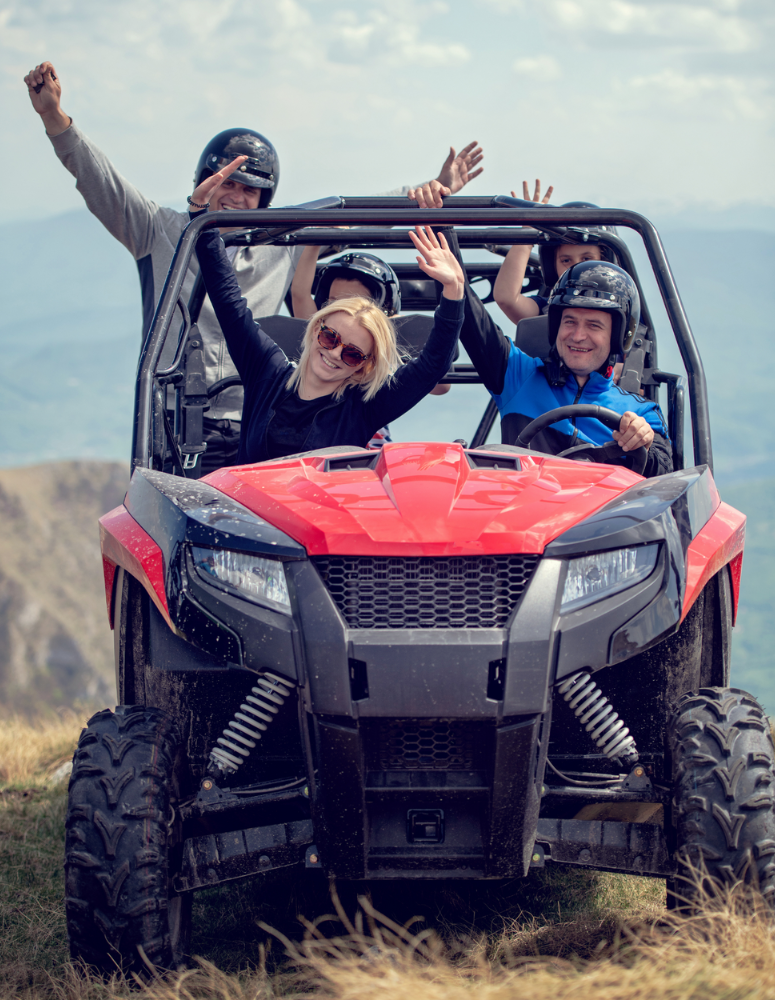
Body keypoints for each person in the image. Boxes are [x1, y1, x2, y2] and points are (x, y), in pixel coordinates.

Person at [23, 60, 482, 472]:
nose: (237, 197)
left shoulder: (277, 243)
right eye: (228, 182)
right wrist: (55, 120)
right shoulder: (159, 230)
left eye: (251, 190)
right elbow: (104, 185)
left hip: (264, 412)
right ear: (204, 179)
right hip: (178, 419)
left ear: (265, 200)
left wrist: (428, 191)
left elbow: (345, 217)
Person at [187, 157, 465, 464]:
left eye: (352, 354)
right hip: (256, 510)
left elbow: (433, 366)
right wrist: (201, 213)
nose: (334, 354)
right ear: (315, 329)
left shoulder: (363, 406)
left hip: (325, 512)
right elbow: (230, 305)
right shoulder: (267, 372)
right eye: (330, 338)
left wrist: (453, 292)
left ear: (364, 365)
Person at [460, 260, 672, 478]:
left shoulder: (642, 412)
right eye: (569, 322)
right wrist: (452, 280)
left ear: (618, 336)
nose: (578, 336)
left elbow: (666, 479)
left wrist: (643, 442)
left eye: (593, 325)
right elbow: (471, 317)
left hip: (605, 511)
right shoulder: (519, 376)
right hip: (527, 509)